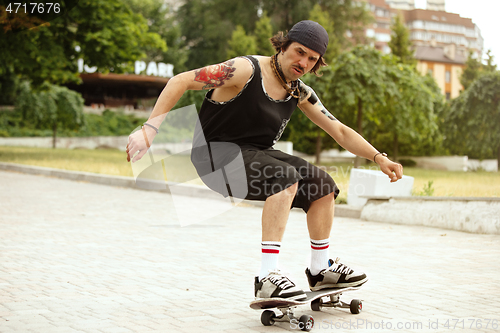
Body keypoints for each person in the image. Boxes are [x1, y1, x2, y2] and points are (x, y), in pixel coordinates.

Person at [127, 20, 403, 301]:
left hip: (256, 154)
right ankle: (267, 276)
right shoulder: (245, 70)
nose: (303, 62)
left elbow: (340, 130)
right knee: (283, 176)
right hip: (214, 157)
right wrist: (149, 129)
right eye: (299, 51)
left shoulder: (299, 91)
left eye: (311, 58)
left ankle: (320, 270)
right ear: (283, 45)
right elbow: (181, 81)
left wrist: (378, 157)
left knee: (322, 183)